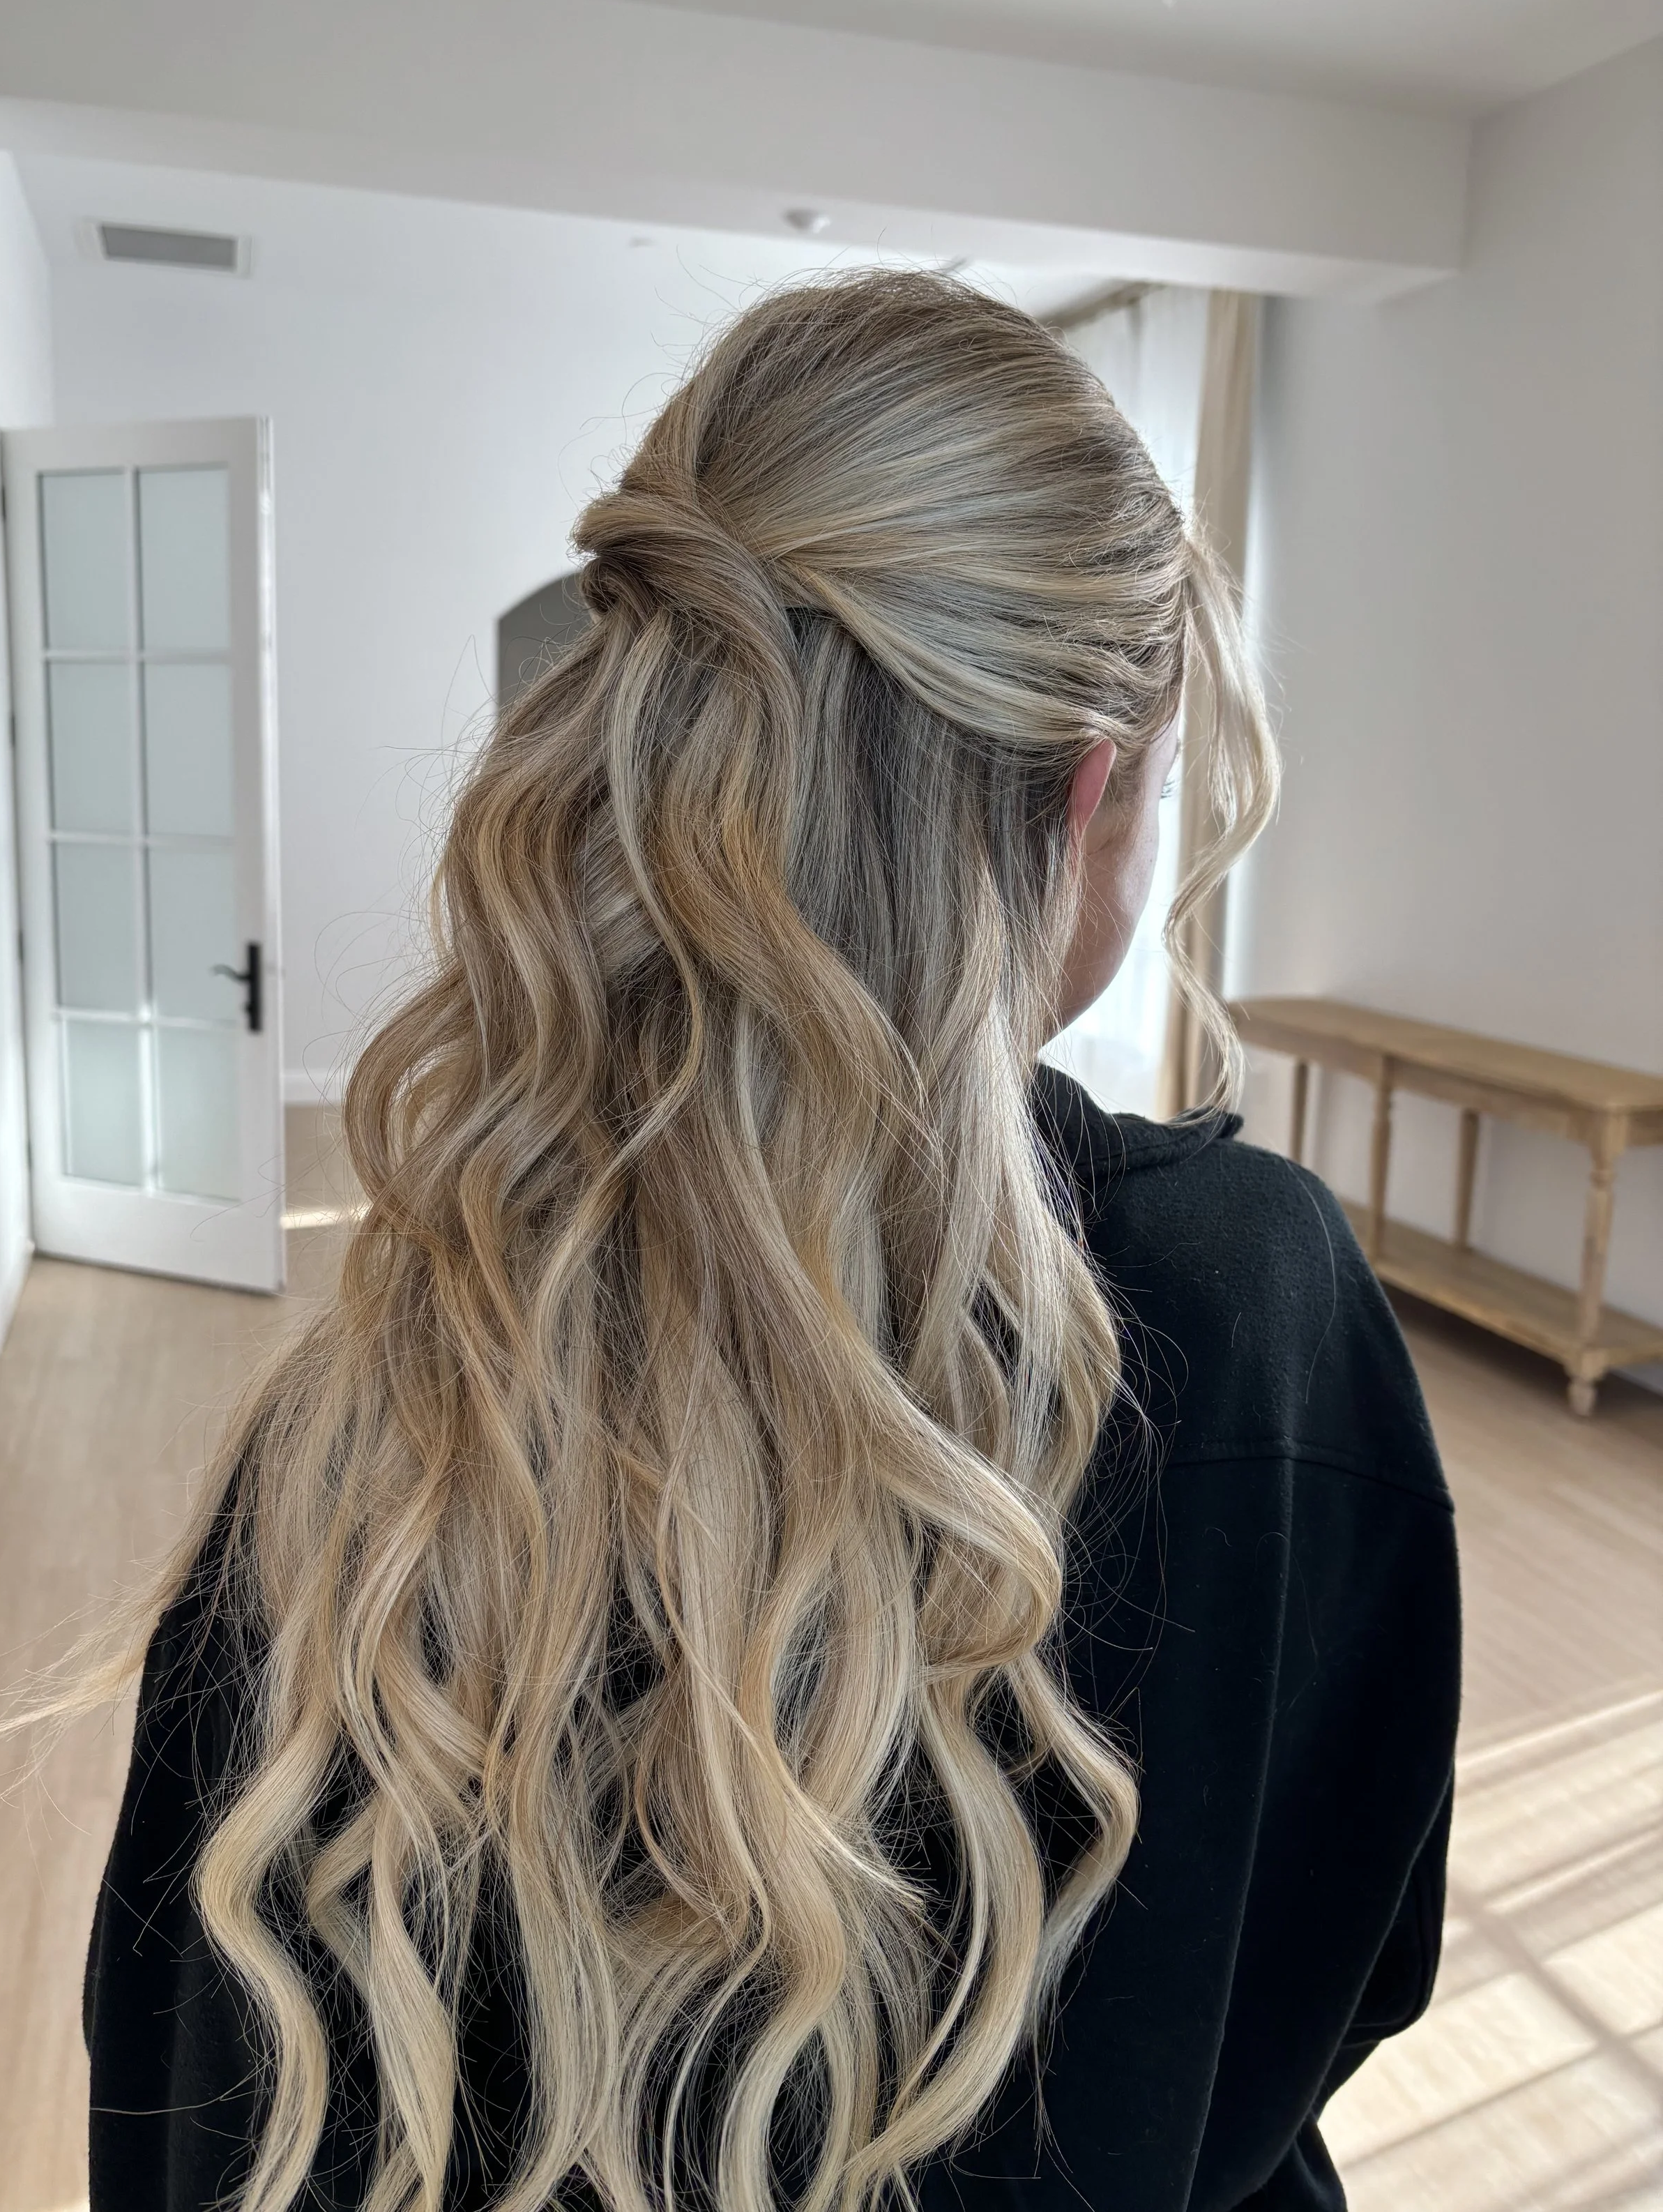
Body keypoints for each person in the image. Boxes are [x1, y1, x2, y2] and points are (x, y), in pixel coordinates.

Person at [81, 273, 1459, 2212]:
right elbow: (1341, 1963)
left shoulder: (353, 1452)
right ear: (1089, 794)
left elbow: (178, 2104)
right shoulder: (1252, 1315)